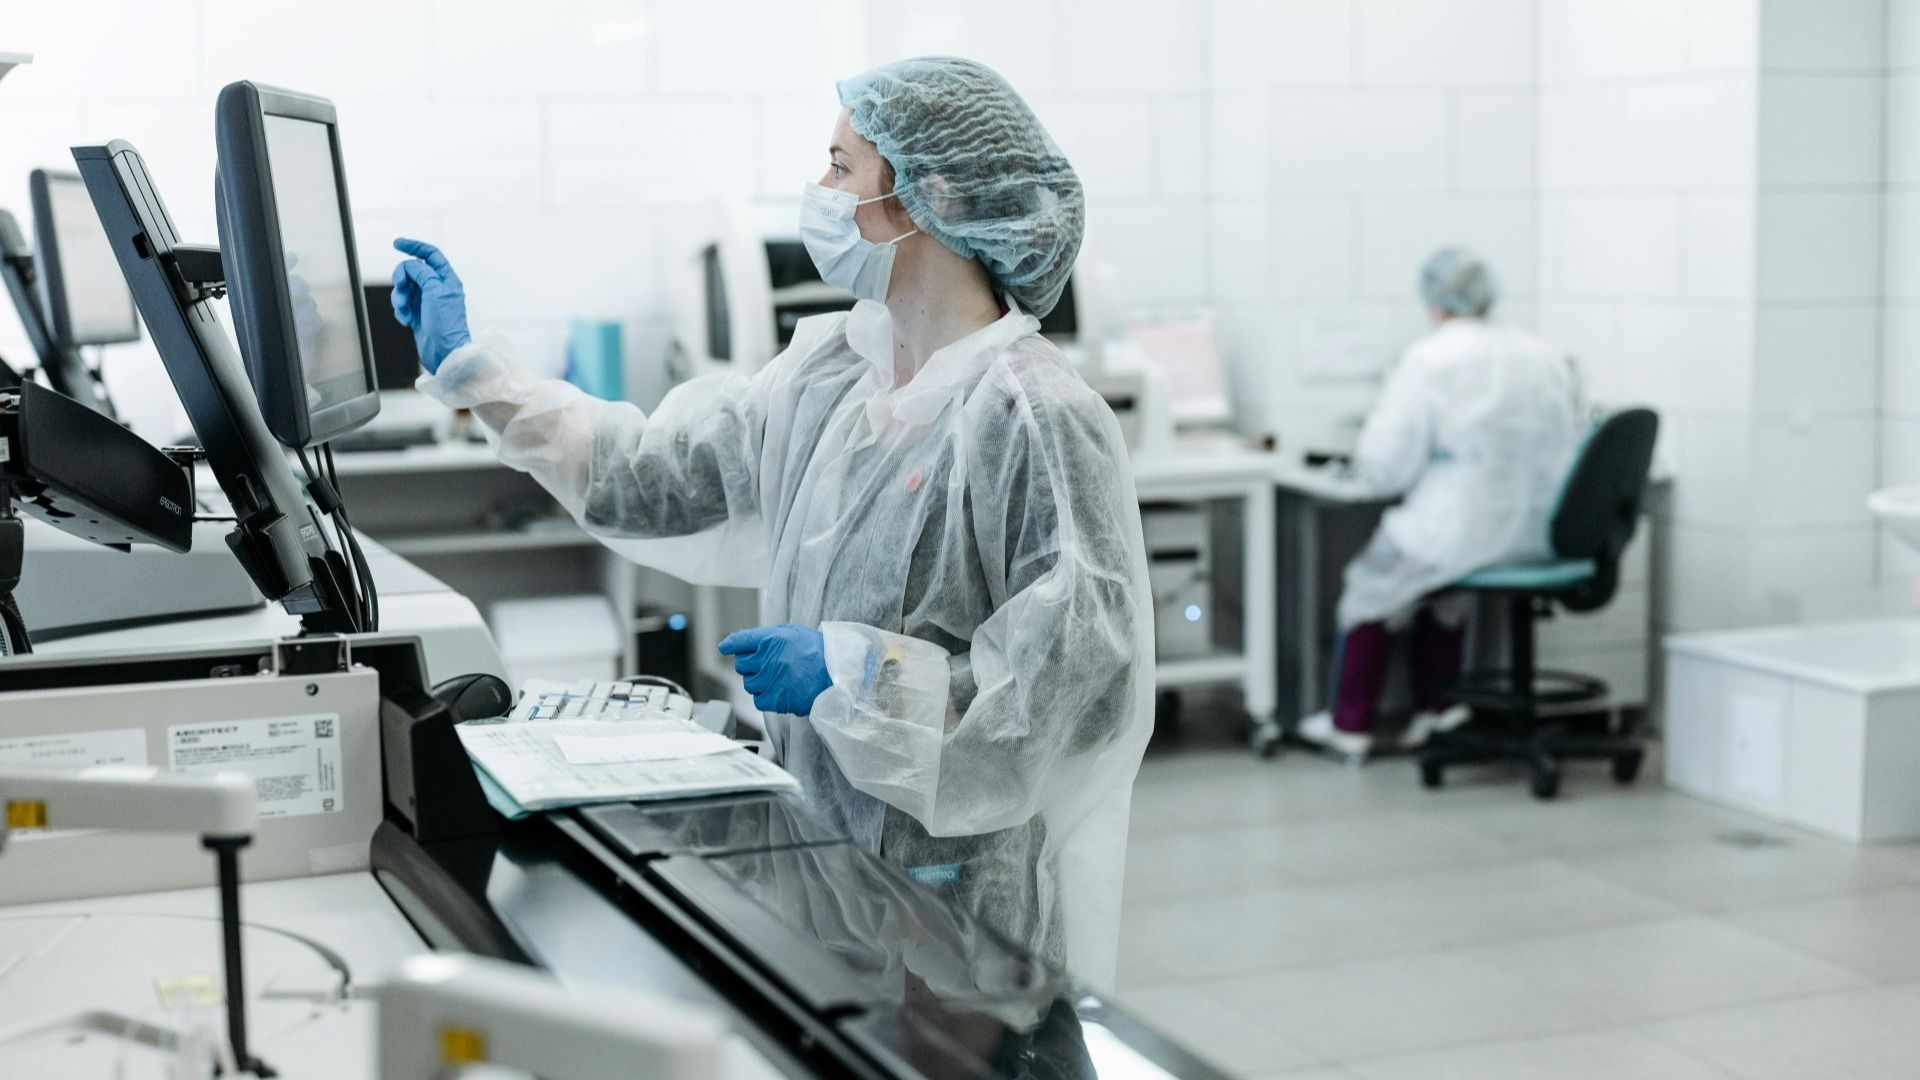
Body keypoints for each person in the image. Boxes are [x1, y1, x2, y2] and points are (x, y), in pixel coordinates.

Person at [389, 57, 1154, 990]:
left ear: (928, 195)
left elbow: (1079, 690)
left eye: (841, 167)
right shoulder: (830, 372)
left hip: (964, 906)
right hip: (822, 866)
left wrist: (857, 674)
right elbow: (656, 477)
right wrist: (478, 377)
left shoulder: (1033, 416)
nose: (821, 194)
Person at [1297, 247, 1586, 761]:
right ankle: (1436, 709)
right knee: (1443, 594)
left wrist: (1358, 469)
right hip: (1539, 532)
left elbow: (1386, 465)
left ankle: (1351, 724)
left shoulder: (1430, 359)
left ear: (1434, 303)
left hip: (1461, 526)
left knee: (1373, 585)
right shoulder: (1542, 354)